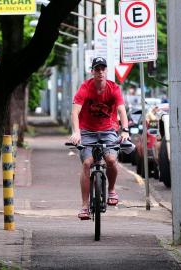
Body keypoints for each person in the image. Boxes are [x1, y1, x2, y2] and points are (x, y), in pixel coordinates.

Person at [68, 57, 131, 220]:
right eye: (97, 69)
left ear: (106, 71)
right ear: (92, 71)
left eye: (103, 69)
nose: (100, 72)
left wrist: (124, 130)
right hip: (87, 131)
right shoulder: (85, 87)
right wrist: (76, 132)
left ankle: (111, 190)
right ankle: (84, 205)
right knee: (87, 163)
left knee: (110, 160)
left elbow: (122, 110)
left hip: (108, 130)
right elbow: (75, 111)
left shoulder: (113, 88)